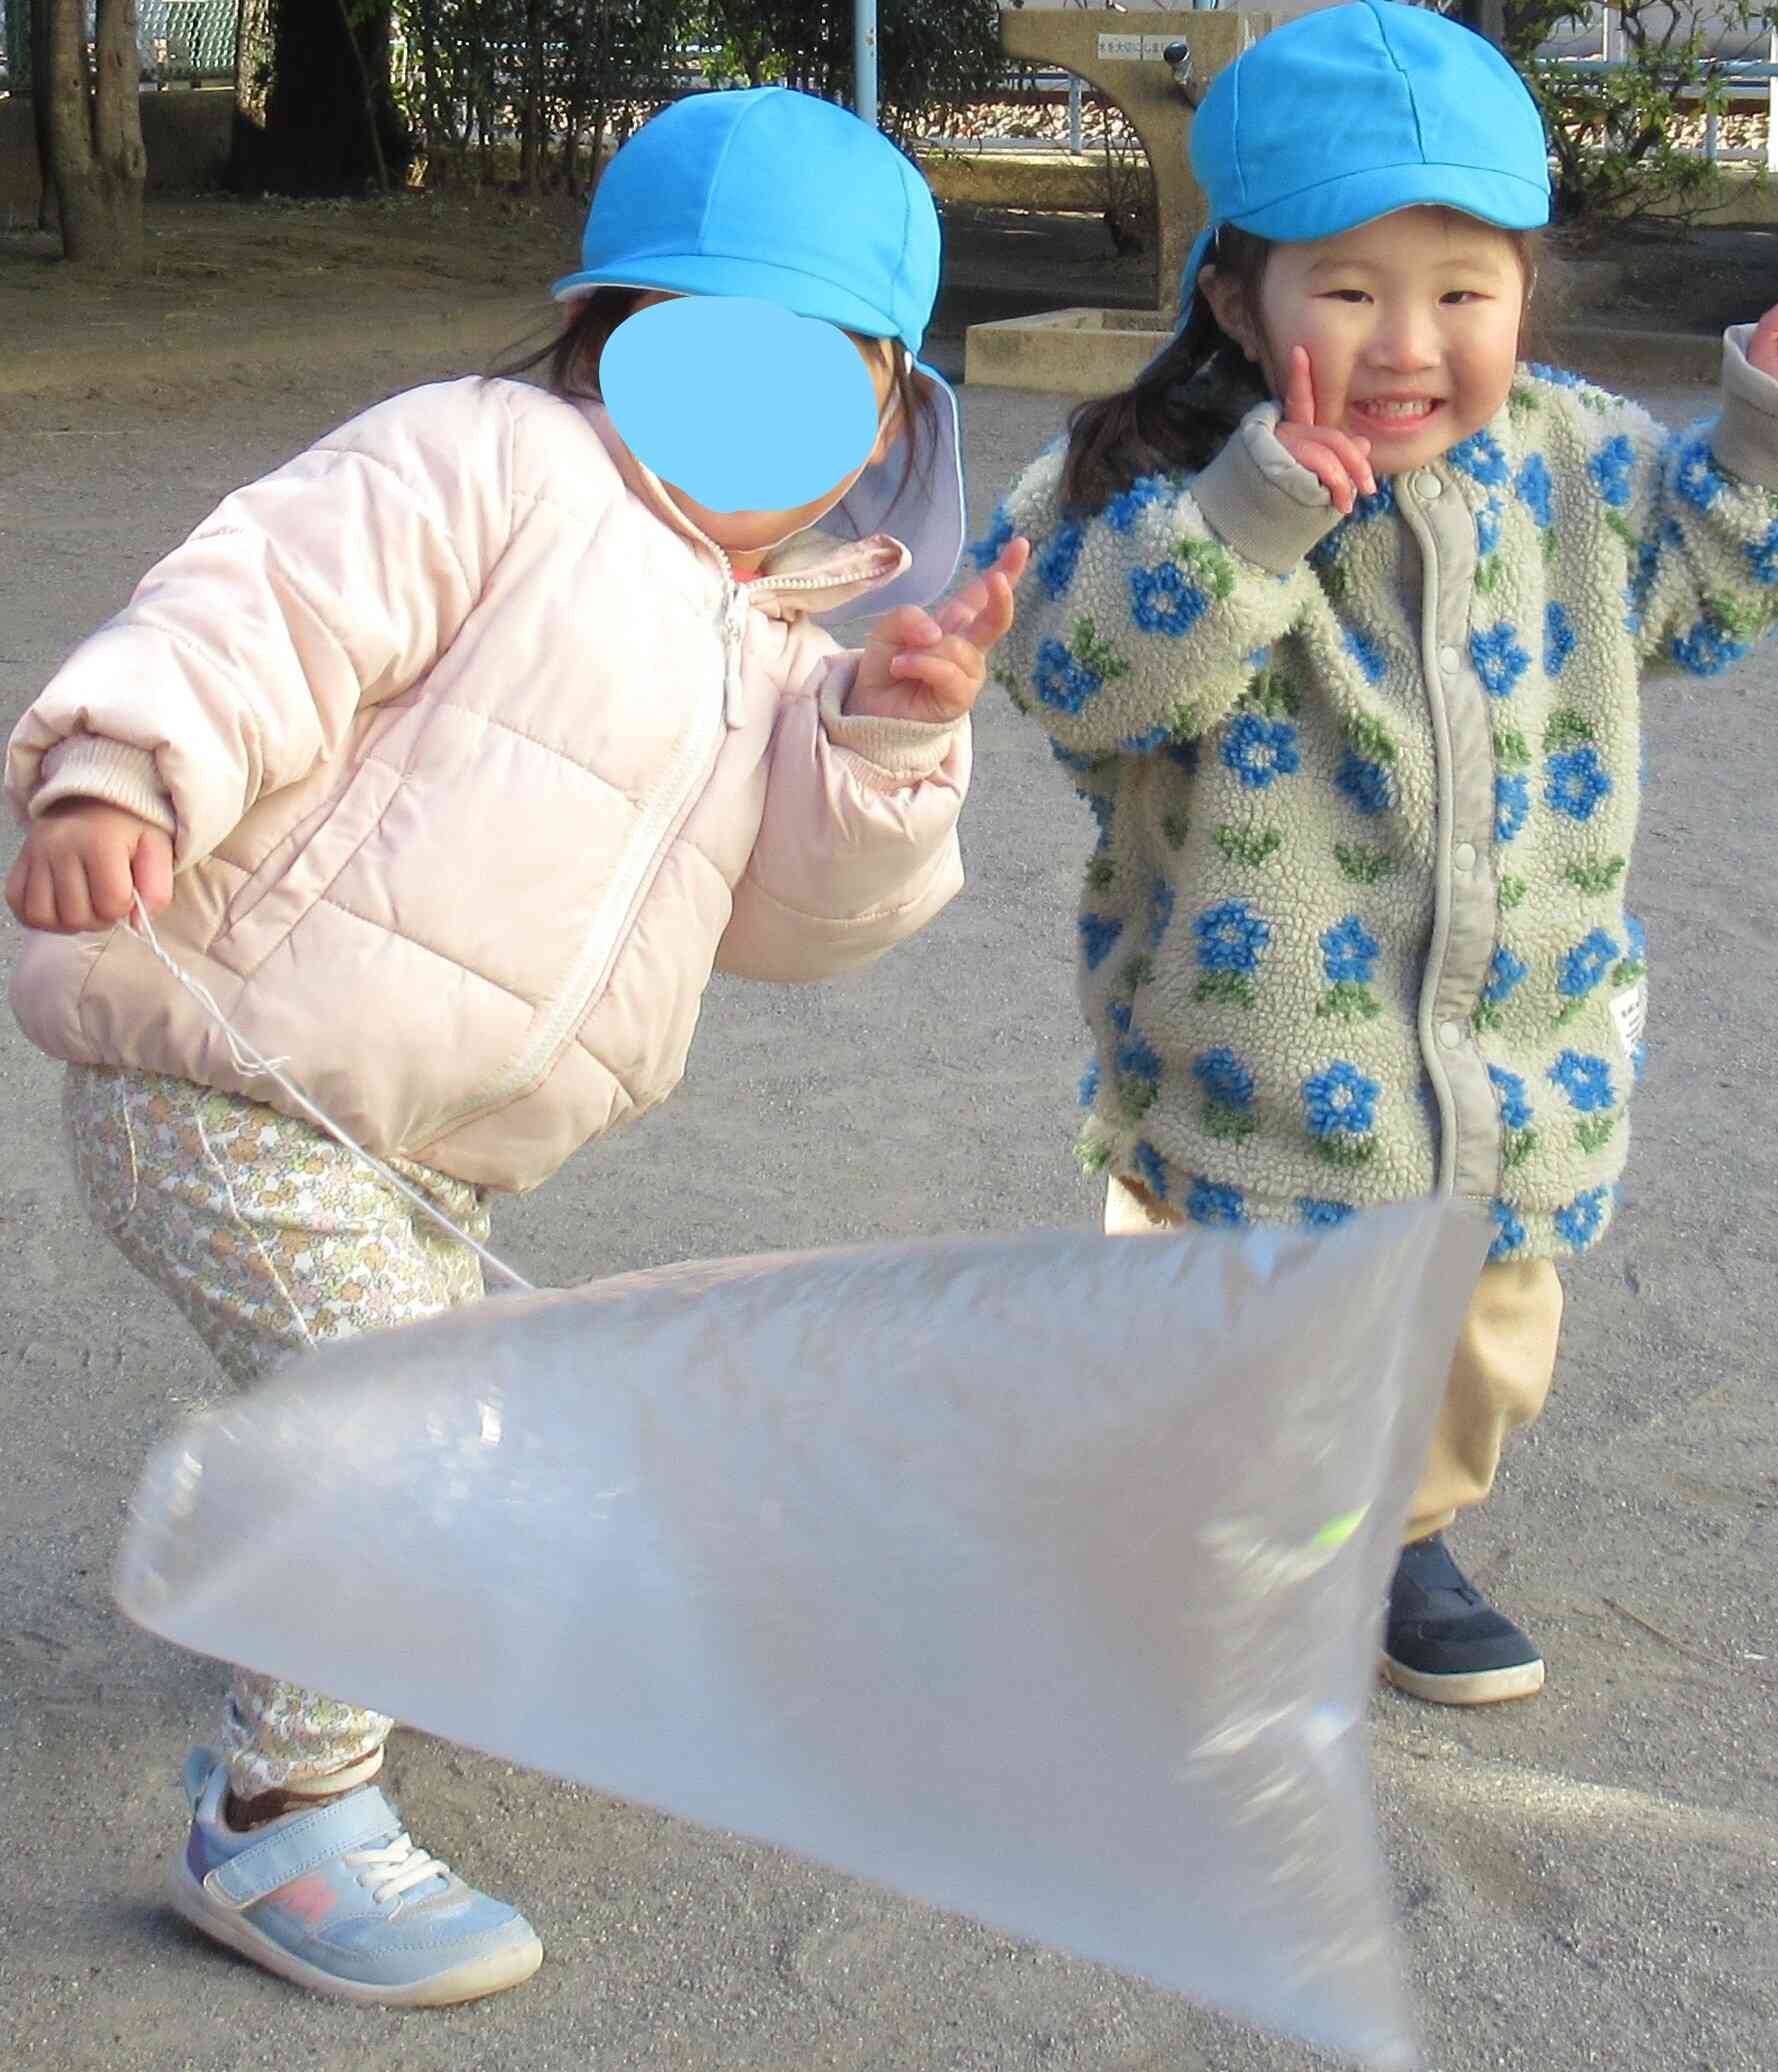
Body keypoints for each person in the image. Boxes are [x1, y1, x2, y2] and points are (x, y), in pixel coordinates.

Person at [2, 85, 1027, 2006]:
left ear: (884, 418)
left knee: (431, 1432)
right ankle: (278, 1820)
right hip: (226, 1077)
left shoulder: (788, 637)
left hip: (442, 1150)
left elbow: (800, 927)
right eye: (691, 347)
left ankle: (292, 1581)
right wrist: (116, 769)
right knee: (400, 1430)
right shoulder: (480, 463)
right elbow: (258, 606)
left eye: (820, 378)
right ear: (598, 340)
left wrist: (888, 742)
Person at [978, 0, 1778, 1706]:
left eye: (1462, 292)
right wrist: (1251, 519)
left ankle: (1394, 1529)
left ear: (1525, 293)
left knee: (1482, 1329)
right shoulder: (1152, 474)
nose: (1409, 342)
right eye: (1349, 289)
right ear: (1238, 299)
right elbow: (1082, 682)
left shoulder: (1585, 461)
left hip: (1514, 1037)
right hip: (1257, 1039)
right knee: (1246, 1335)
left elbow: (1711, 600)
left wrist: (1771, 448)